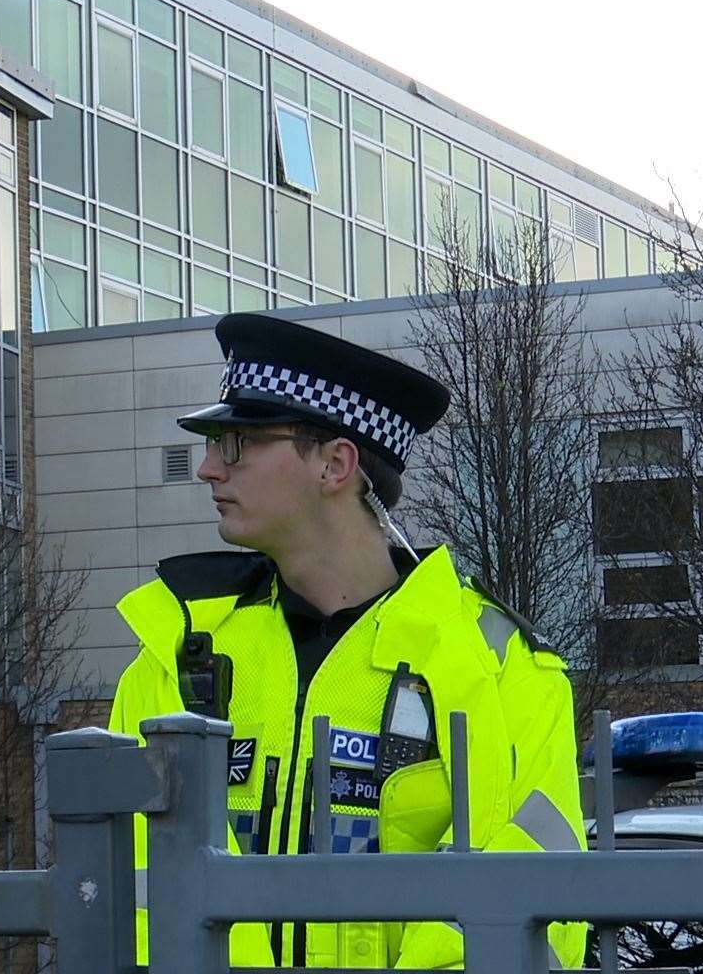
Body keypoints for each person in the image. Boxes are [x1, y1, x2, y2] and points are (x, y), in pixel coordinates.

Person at [106, 313, 586, 969]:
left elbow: (528, 891)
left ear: (335, 464)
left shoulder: (502, 665)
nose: (208, 468)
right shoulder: (177, 652)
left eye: (238, 442)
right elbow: (132, 884)